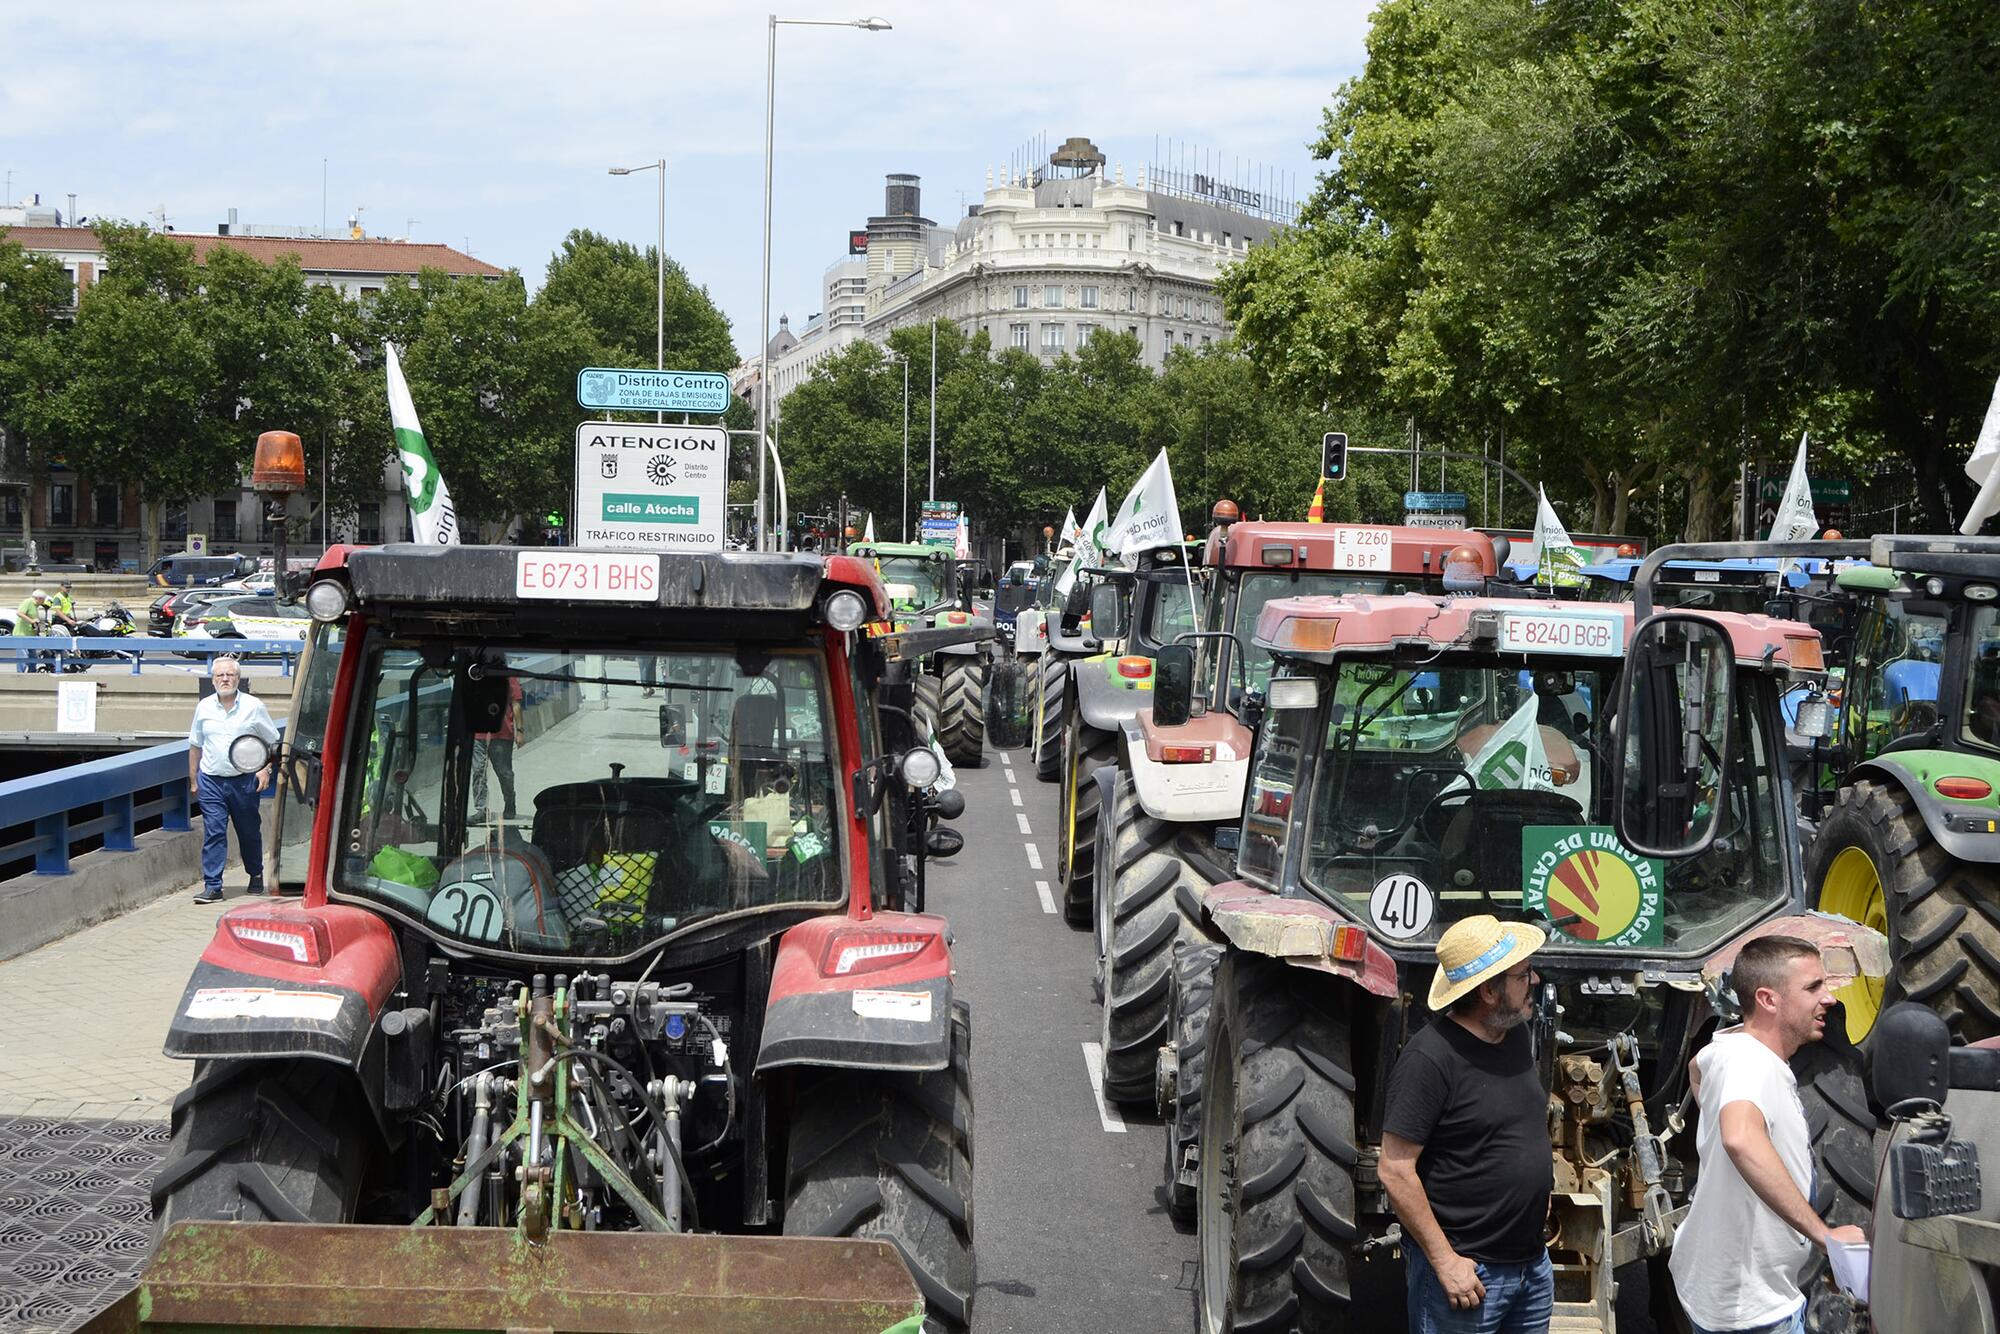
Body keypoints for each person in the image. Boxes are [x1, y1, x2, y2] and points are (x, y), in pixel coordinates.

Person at [1669, 935, 1866, 1334]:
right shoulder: (1751, 1063)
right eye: (1813, 987)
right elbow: (1740, 1138)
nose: (1828, 998)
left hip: (1727, 1292)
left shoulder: (1729, 1048)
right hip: (1753, 1312)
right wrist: (1823, 1234)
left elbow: (1696, 1066)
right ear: (1768, 999)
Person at [1381, 914, 1554, 1334]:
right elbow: (1395, 1169)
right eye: (1522, 974)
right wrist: (1445, 1261)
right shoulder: (1429, 1060)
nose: (1533, 980)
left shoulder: (1512, 1036)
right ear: (1488, 992)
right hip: (1470, 1277)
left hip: (1531, 1268)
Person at [188, 657, 280, 903]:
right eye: (220, 675)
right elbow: (195, 745)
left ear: (238, 679)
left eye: (229, 675)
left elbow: (272, 741)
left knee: (248, 831)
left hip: (245, 779)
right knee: (214, 832)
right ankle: (213, 886)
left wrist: (265, 769)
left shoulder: (253, 706)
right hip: (211, 779)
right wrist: (194, 779)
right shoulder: (204, 707)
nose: (225, 679)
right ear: (213, 679)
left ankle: (256, 873)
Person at [471, 674, 525, 823]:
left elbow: (515, 703)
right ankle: (481, 809)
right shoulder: (474, 674)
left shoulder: (508, 675)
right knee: (478, 771)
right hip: (477, 733)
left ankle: (510, 801)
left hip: (501, 733)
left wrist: (520, 731)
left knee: (504, 773)